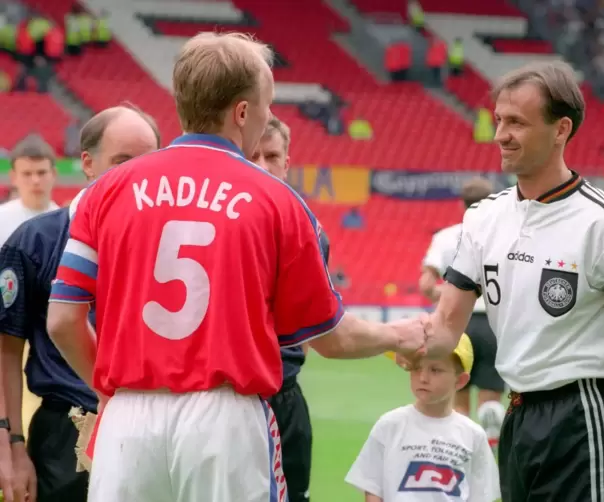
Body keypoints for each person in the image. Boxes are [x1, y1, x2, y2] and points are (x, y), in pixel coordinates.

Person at [45, 32, 425, 502]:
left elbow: (62, 320)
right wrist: (401, 334)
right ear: (242, 113)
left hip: (128, 420)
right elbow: (331, 338)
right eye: (265, 106)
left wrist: (108, 390)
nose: (266, 117)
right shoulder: (277, 201)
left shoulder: (107, 190)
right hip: (223, 423)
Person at [416, 61, 604, 501]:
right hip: (518, 419)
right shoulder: (482, 218)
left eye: (516, 122)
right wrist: (378, 338)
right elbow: (444, 328)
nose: (501, 134)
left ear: (561, 129)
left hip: (585, 418)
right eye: (499, 120)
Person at [0, 105, 161, 502]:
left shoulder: (171, 244)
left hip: (154, 428)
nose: (136, 175)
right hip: (63, 434)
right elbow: (5, 349)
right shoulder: (34, 241)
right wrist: (12, 446)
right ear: (87, 163)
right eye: (122, 161)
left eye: (148, 163)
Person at [249, 116, 319, 502]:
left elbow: (308, 325)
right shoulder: (226, 224)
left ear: (287, 163)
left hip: (286, 396)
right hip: (233, 398)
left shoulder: (308, 228)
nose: (263, 165)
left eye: (272, 156)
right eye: (254, 155)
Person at [345, 334, 500, 501]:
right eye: (417, 368)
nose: (423, 378)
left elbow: (481, 496)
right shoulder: (390, 425)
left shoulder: (473, 435)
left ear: (460, 381)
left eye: (435, 370)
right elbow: (373, 488)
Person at [418, 176, 506, 449]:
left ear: (462, 204)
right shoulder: (503, 238)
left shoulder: (446, 237)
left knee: (458, 395)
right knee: (491, 398)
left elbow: (426, 284)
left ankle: (461, 449)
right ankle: (490, 439)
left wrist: (448, 295)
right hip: (492, 321)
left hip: (456, 324)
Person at [0, 136, 58, 246]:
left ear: (54, 174)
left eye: (41, 173)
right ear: (13, 178)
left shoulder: (67, 224)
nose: (35, 180)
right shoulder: (1, 219)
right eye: (27, 174)